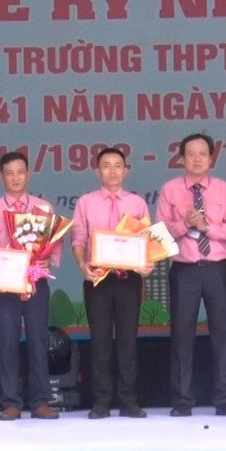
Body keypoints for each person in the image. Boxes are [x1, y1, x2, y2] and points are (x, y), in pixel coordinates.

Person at [156, 132, 226, 417]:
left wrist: (207, 227)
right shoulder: (170, 190)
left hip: (217, 269)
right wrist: (184, 224)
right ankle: (182, 400)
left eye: (202, 153)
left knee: (222, 334)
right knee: (182, 336)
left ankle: (224, 399)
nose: (197, 159)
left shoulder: (224, 189)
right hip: (185, 270)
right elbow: (159, 233)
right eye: (191, 154)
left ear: (211, 158)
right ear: (181, 159)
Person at [71, 147, 152, 419]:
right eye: (106, 166)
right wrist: (82, 264)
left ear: (126, 170)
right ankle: (102, 401)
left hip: (128, 279)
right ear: (98, 171)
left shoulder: (137, 204)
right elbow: (78, 239)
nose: (113, 171)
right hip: (98, 279)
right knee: (100, 342)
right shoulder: (85, 202)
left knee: (128, 341)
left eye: (118, 165)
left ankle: (129, 400)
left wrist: (148, 262)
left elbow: (148, 242)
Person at [0, 151, 61, 421]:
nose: (15, 178)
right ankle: (11, 402)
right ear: (1, 177)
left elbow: (54, 244)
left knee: (39, 341)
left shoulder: (43, 208)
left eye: (20, 172)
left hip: (36, 284)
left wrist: (49, 260)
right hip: (4, 289)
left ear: (29, 175)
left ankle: (40, 402)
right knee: (7, 343)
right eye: (10, 173)